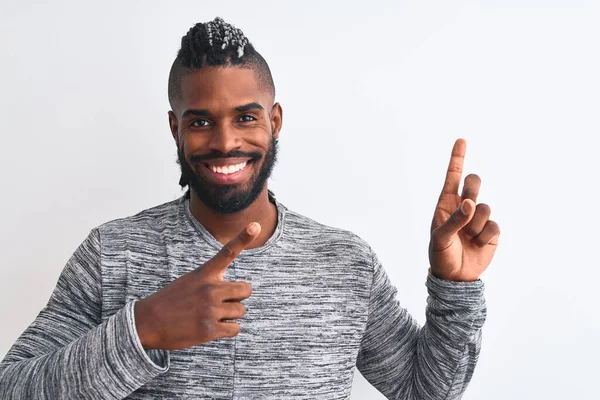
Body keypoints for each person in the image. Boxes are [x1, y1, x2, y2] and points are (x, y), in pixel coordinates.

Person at [0, 17, 500, 399]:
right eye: (200, 122)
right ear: (175, 129)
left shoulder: (346, 262)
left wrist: (455, 288)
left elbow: (424, 390)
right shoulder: (113, 254)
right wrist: (143, 328)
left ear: (274, 120)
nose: (225, 142)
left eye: (245, 117)